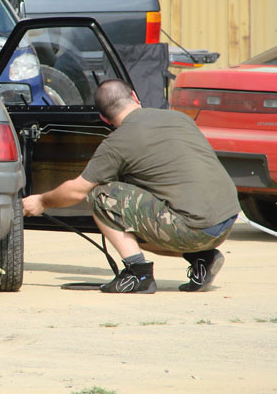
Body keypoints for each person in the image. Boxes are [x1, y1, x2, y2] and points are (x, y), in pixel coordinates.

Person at [22, 79, 240, 294]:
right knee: (140, 215)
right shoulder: (179, 118)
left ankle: (138, 274)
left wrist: (42, 201)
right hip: (226, 221)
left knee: (101, 196)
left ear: (103, 118)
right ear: (135, 97)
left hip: (192, 229)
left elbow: (77, 190)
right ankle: (202, 258)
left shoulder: (117, 143)